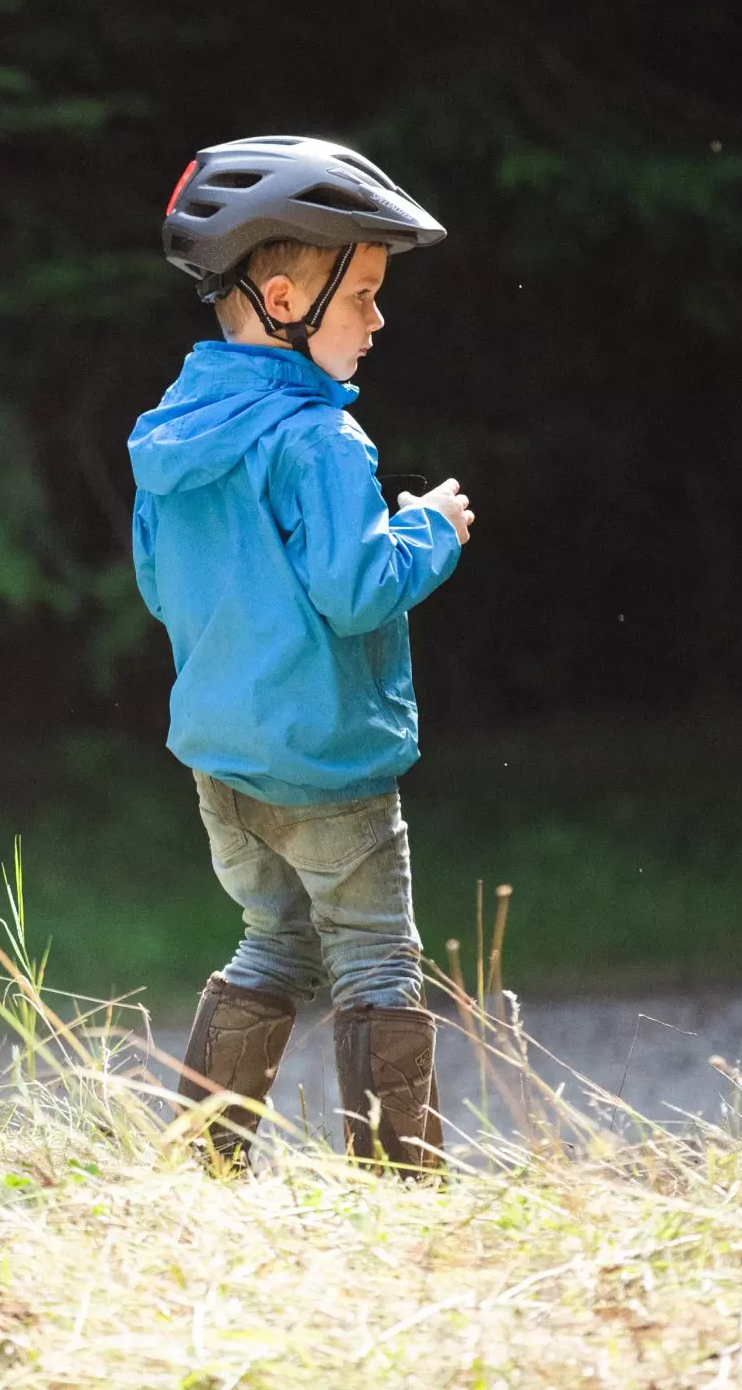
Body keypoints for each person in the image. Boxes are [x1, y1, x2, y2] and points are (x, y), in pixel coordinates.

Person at [131, 136, 471, 1173]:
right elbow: (356, 587)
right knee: (375, 961)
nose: (378, 318)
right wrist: (432, 530)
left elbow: (158, 587)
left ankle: (201, 1166)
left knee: (270, 943)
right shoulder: (322, 439)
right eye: (362, 294)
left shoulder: (173, 429)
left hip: (222, 766)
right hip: (327, 766)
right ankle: (400, 1186)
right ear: (284, 298)